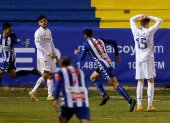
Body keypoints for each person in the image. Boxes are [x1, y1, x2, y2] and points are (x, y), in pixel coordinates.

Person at [74, 29, 136, 112]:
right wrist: (116, 54)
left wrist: (77, 53)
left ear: (85, 36)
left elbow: (81, 58)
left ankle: (130, 100)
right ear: (92, 34)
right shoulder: (100, 39)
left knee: (115, 84)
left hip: (103, 65)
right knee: (93, 78)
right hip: (105, 62)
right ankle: (104, 95)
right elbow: (114, 42)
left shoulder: (86, 44)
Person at [130, 14, 163, 111]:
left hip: (138, 59)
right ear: (148, 22)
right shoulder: (149, 31)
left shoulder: (135, 31)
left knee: (140, 82)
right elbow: (160, 20)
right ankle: (149, 105)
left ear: (140, 23)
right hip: (148, 58)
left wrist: (140, 15)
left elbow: (132, 19)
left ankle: (139, 105)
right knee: (150, 80)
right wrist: (149, 16)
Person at [28, 15, 59, 101]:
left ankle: (49, 95)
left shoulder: (49, 31)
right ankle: (33, 91)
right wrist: (48, 53)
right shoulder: (38, 32)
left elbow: (51, 43)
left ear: (47, 21)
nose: (43, 22)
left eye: (44, 20)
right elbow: (37, 45)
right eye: (41, 21)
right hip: (43, 56)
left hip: (49, 56)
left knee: (50, 75)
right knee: (46, 74)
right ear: (39, 23)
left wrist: (55, 54)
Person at [53, 56, 90, 123]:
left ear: (61, 64)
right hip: (81, 99)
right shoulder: (80, 71)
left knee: (63, 118)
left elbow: (57, 85)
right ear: (71, 64)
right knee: (85, 120)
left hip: (68, 100)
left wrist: (55, 99)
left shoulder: (60, 72)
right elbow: (86, 86)